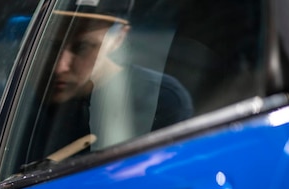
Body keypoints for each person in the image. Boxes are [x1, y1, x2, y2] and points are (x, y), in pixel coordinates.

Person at [25, 0, 193, 166]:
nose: (59, 67)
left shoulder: (159, 99)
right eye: (49, 46)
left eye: (82, 47)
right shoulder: (17, 99)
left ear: (118, 37)